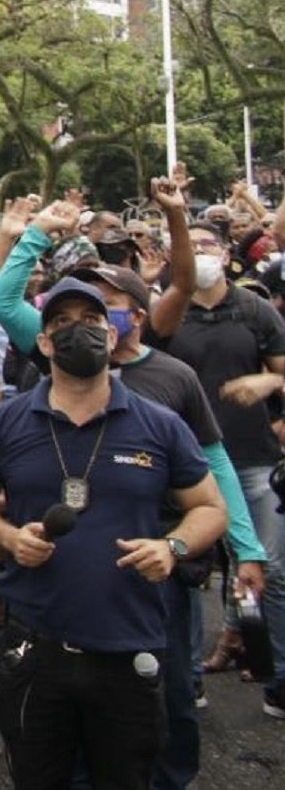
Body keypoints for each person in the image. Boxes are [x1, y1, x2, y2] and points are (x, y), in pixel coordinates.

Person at [0, 278, 227, 790]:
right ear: (42, 341)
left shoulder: (159, 423)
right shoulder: (7, 421)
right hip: (35, 645)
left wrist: (171, 547)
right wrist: (9, 538)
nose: (76, 331)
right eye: (60, 322)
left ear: (112, 331)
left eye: (90, 319)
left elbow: (210, 509)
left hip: (129, 645)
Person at [155, 221, 285, 717]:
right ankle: (189, 678)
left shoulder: (254, 310)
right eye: (193, 245)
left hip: (252, 458)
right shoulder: (170, 311)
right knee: (189, 572)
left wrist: (266, 385)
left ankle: (276, 676)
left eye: (210, 243)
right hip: (186, 465)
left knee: (267, 568)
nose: (202, 251)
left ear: (228, 252)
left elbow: (281, 369)